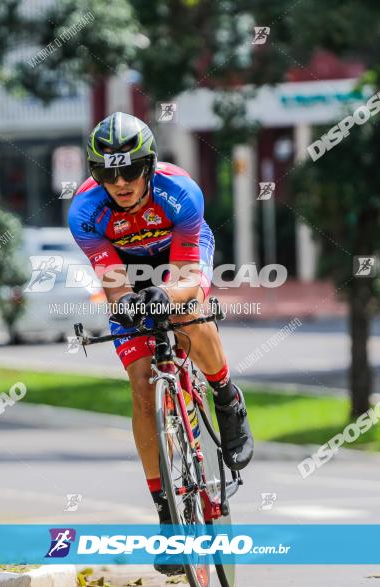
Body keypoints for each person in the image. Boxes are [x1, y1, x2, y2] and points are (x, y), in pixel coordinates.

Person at [67, 112, 254, 575]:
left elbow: (189, 278)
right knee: (140, 382)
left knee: (189, 315)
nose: (121, 182)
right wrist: (130, 301)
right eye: (108, 173)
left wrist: (167, 293)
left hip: (179, 259)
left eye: (130, 170)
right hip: (129, 273)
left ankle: (227, 397)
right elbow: (114, 287)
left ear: (148, 166)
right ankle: (167, 516)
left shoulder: (181, 193)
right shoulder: (85, 213)